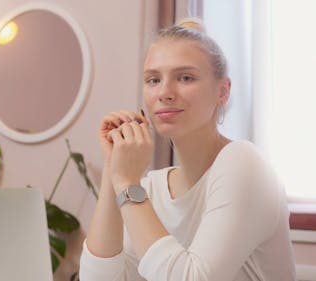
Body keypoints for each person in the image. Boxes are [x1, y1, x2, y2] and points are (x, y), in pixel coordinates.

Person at [79, 18, 296, 281]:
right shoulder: (150, 189)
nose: (165, 93)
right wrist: (114, 170)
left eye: (185, 77)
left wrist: (126, 183)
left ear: (223, 91)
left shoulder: (245, 163)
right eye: (153, 79)